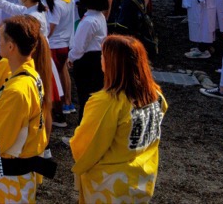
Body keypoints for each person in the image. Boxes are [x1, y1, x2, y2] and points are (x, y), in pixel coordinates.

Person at [69, 35, 167, 202]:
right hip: (143, 176)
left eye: (103, 55)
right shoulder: (155, 96)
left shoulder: (107, 101)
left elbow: (87, 144)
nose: (100, 58)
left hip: (110, 184)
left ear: (112, 63)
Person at [0, 16, 53, 204]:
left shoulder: (17, 90)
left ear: (11, 46)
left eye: (0, 38)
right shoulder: (30, 75)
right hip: (21, 175)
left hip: (10, 179)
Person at [68, 0, 109, 113]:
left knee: (85, 97)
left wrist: (71, 58)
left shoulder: (88, 21)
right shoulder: (98, 16)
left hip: (87, 61)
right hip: (97, 58)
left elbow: (79, 46)